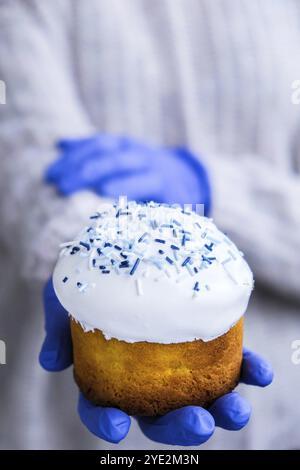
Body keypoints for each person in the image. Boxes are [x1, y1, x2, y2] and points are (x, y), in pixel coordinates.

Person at [0, 0, 299, 449]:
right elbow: (27, 152)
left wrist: (213, 186)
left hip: (282, 418)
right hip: (68, 430)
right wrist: (82, 253)